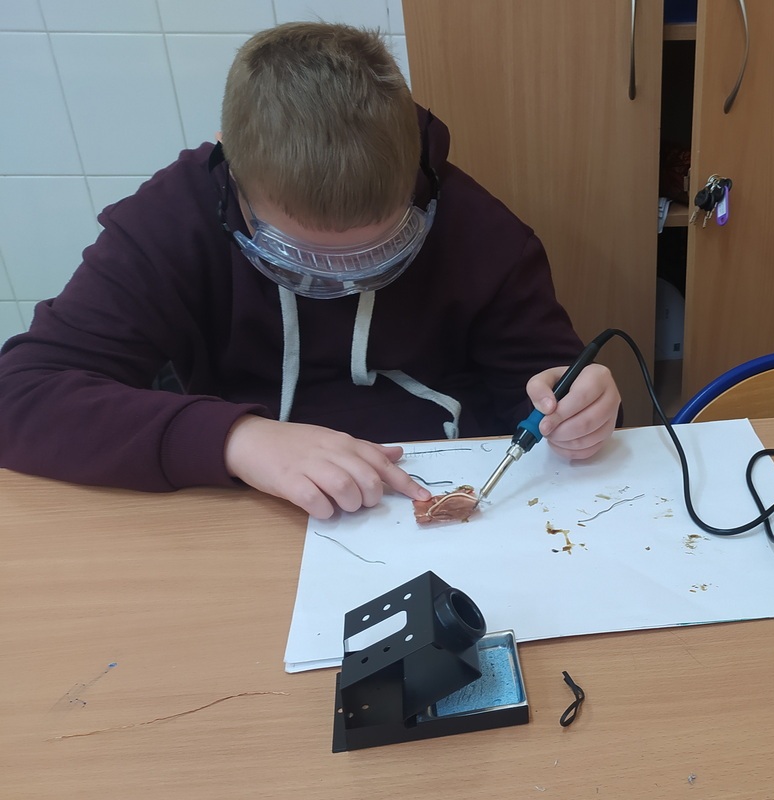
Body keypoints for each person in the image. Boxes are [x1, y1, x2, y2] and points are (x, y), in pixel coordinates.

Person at [0, 22, 620, 519]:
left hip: (444, 498)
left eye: (379, 250)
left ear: (415, 177)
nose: (343, 282)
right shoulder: (170, 223)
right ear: (232, 170)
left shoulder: (484, 233)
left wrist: (574, 409)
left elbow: (542, 387)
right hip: (244, 510)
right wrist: (235, 439)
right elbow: (20, 394)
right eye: (302, 256)